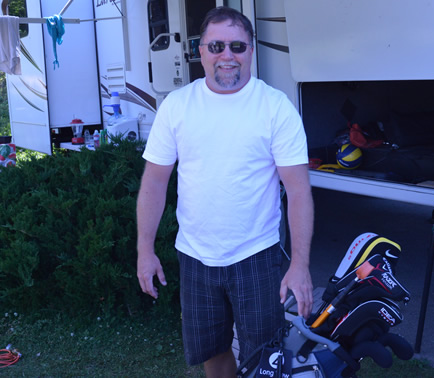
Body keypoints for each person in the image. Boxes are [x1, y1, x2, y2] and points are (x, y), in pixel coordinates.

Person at [136, 6, 314, 378]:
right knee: (213, 354)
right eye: (216, 46)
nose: (227, 55)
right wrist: (145, 251)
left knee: (264, 359)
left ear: (251, 50)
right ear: (200, 51)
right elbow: (154, 181)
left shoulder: (275, 107)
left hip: (257, 255)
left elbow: (298, 191)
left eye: (237, 46)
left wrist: (299, 266)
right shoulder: (177, 107)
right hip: (195, 257)